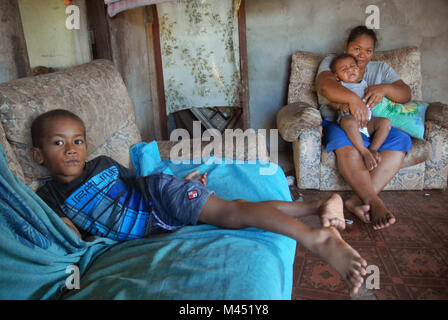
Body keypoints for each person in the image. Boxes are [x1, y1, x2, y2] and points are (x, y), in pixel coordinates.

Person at [31, 109, 367, 294]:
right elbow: (67, 235)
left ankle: (314, 237)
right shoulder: (47, 197)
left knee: (231, 212)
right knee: (236, 209)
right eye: (59, 143)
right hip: (151, 229)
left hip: (160, 197)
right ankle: (314, 207)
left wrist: (178, 184)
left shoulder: (102, 164)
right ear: (39, 155)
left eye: (77, 140)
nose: (71, 149)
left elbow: (138, 184)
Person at [316, 25, 412, 230]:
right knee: (348, 144)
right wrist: (353, 100)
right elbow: (324, 86)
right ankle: (375, 202)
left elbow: (405, 94)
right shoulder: (333, 61)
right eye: (357, 48)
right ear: (346, 46)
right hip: (341, 122)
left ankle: (356, 201)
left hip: (370, 125)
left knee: (401, 139)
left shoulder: (381, 68)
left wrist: (385, 88)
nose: (362, 55)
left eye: (368, 51)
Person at [330, 53, 392, 171]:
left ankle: (373, 149)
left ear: (359, 69)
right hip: (349, 120)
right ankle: (364, 152)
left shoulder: (364, 84)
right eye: (344, 69)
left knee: (385, 122)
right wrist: (340, 104)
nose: (350, 70)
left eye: (353, 66)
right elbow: (332, 102)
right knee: (349, 122)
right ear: (337, 76)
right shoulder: (341, 86)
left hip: (367, 122)